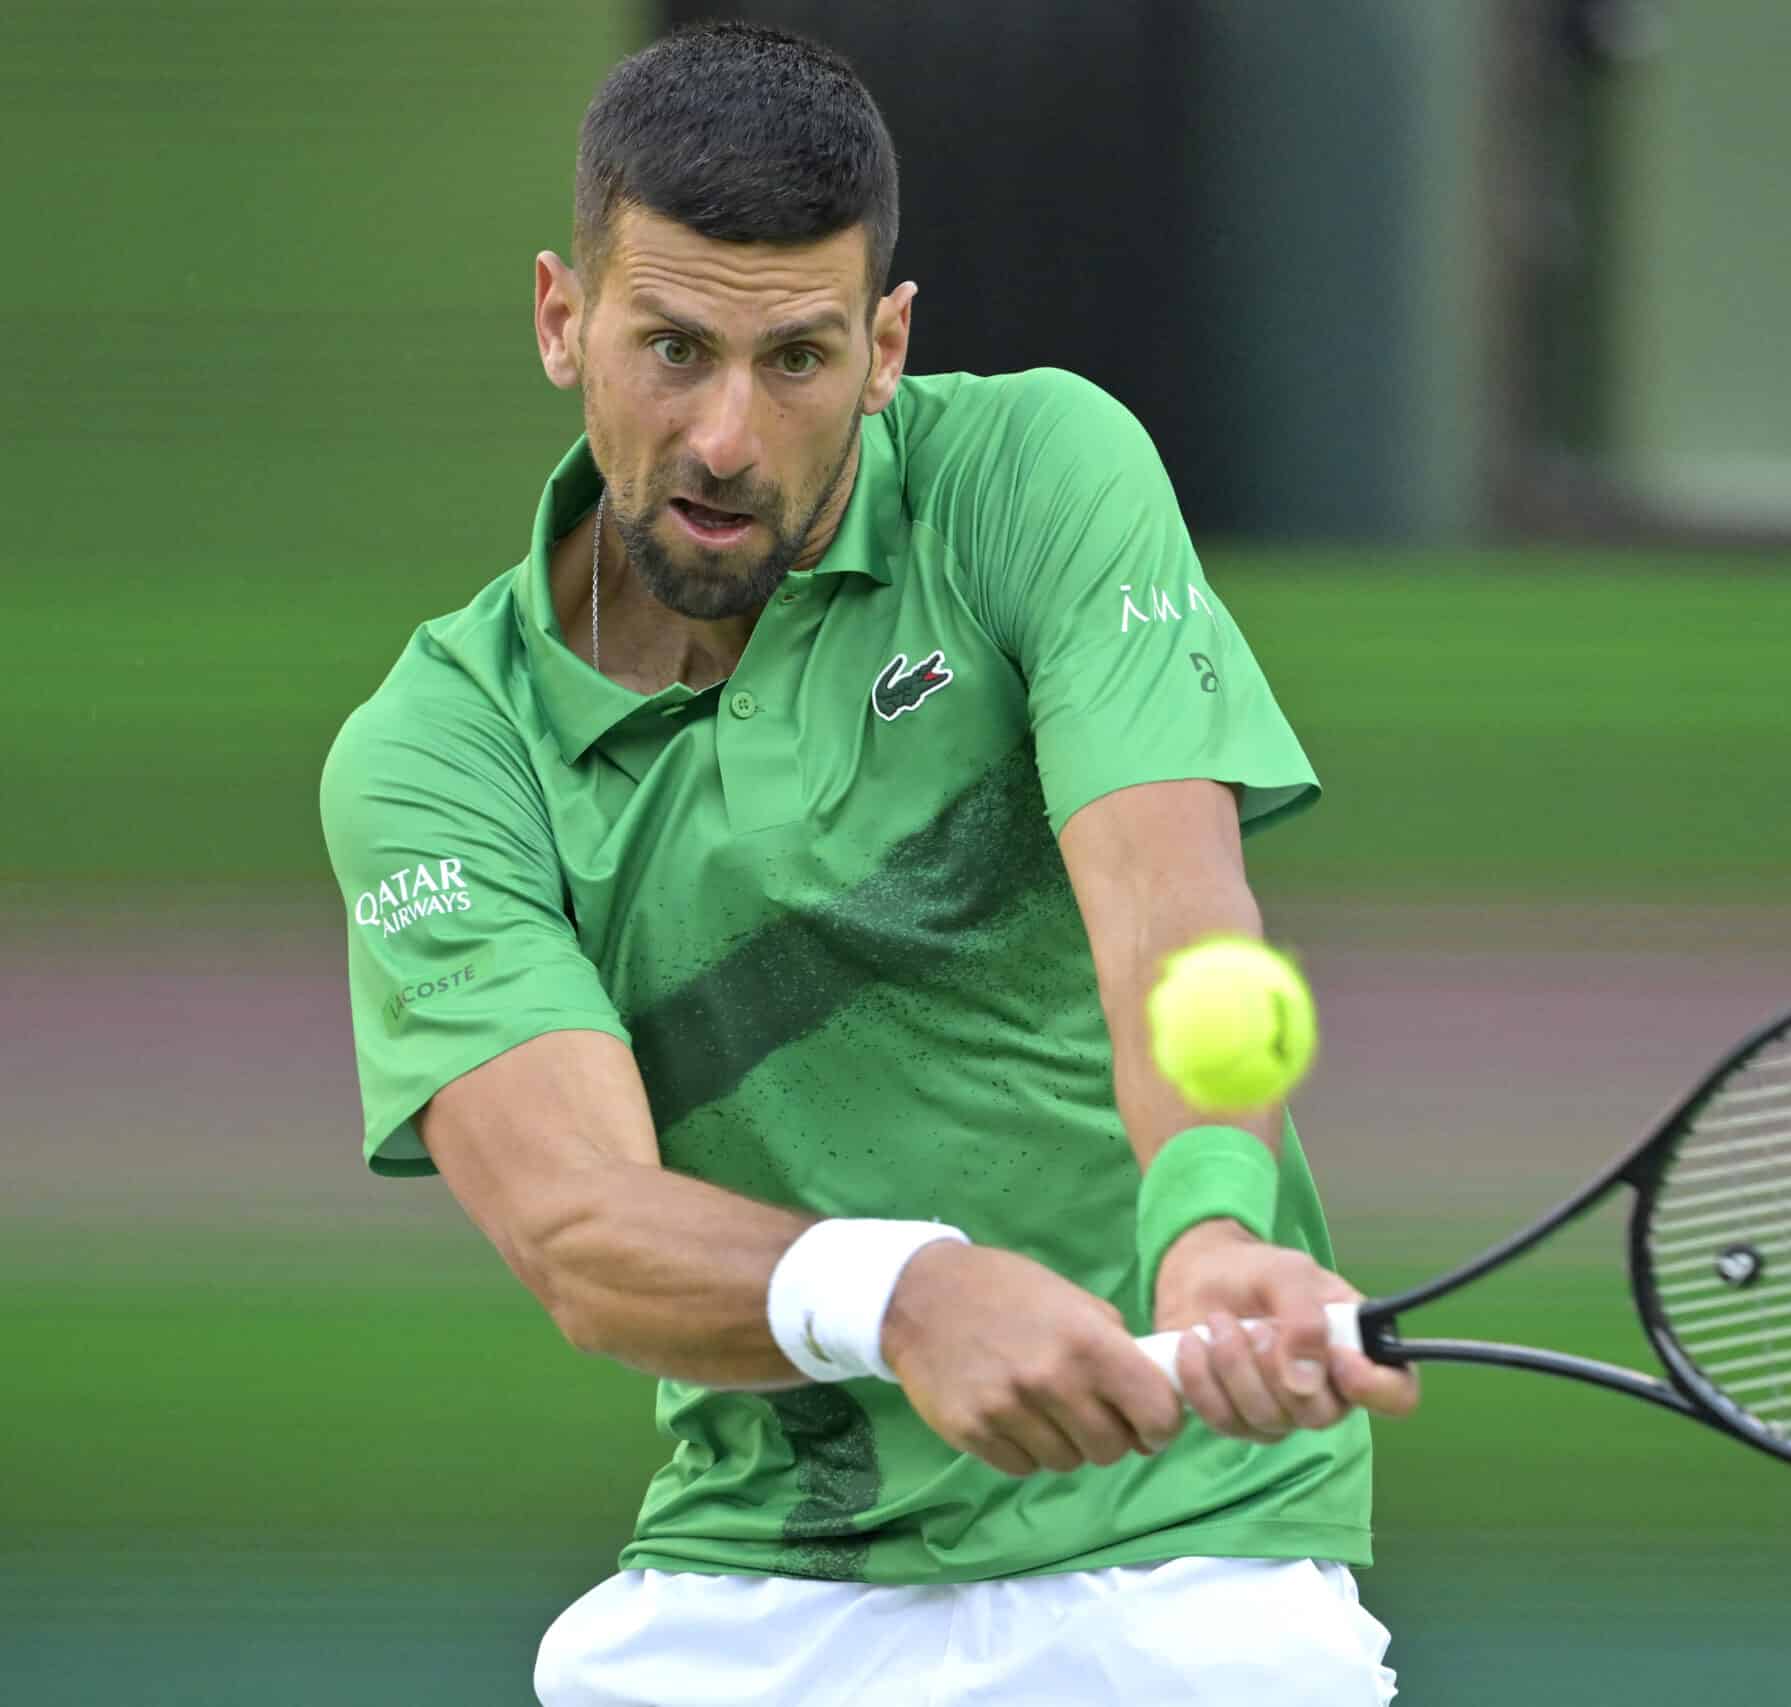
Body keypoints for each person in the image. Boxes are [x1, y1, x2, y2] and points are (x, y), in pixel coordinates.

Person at [317, 22, 1416, 1704]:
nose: (728, 437)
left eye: (800, 359)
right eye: (672, 347)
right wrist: (901, 1294)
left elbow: (1172, 916)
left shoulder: (1033, 474)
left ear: (888, 344)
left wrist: (1206, 1225)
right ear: (563, 318)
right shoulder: (442, 755)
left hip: (1182, 1544)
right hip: (769, 1563)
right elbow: (577, 1228)